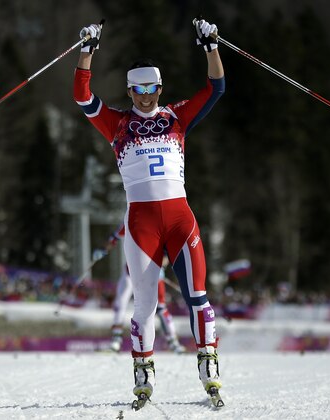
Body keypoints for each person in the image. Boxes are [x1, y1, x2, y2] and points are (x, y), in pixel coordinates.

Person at [73, 18, 225, 404]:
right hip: (141, 224)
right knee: (145, 304)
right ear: (129, 90)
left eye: (151, 88)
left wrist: (210, 47)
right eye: (137, 89)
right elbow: (82, 96)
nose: (145, 96)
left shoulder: (177, 117)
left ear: (160, 88)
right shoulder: (117, 123)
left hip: (179, 218)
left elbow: (216, 87)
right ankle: (143, 370)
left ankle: (208, 363)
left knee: (198, 296)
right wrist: (87, 51)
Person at [95, 224, 186, 353]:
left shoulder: (159, 225)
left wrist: (159, 266)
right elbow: (114, 238)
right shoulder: (133, 220)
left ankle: (173, 343)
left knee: (160, 307)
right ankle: (116, 340)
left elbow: (167, 255)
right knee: (120, 302)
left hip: (152, 274)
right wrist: (104, 249)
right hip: (130, 272)